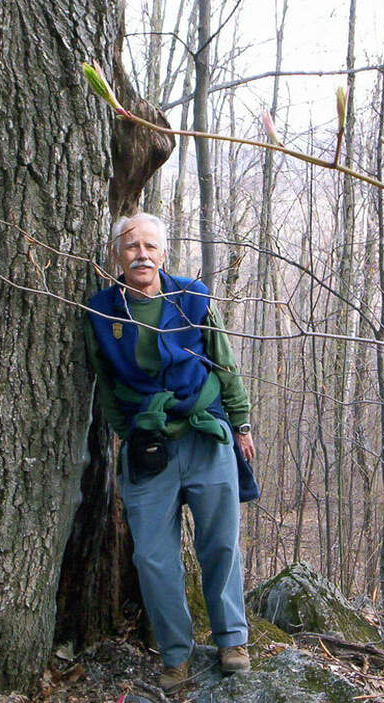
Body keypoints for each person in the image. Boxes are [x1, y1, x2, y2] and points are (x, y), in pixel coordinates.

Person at [85, 212, 256, 693]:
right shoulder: (102, 311)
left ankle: (231, 640)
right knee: (154, 558)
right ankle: (175, 654)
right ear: (116, 254)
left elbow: (222, 359)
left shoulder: (191, 297)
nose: (142, 254)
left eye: (150, 246)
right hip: (146, 446)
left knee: (219, 543)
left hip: (206, 437)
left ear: (164, 252)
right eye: (131, 246)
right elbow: (106, 383)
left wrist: (240, 421)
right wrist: (129, 431)